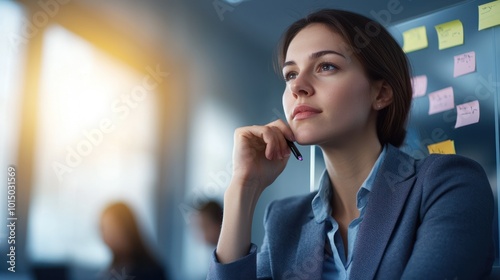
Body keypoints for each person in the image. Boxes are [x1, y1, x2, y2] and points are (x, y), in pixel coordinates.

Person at [207, 9, 494, 279]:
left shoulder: (449, 183)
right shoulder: (284, 218)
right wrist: (243, 188)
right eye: (290, 74)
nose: (297, 87)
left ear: (380, 93)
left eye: (326, 66)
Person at [100, 202, 168, 280]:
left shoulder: (152, 272)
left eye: (112, 229)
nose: (107, 236)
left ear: (127, 228)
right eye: (103, 229)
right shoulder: (111, 270)